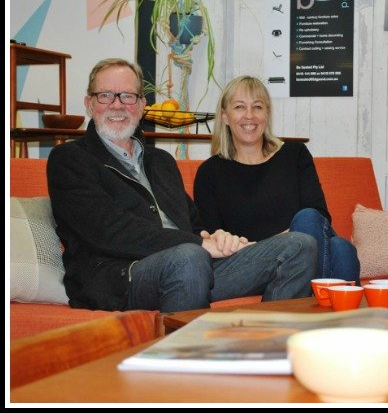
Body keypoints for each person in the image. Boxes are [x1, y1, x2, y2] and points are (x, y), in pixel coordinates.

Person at [46, 59, 317, 313]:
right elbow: (109, 231)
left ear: (141, 106)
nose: (117, 105)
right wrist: (199, 243)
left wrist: (216, 238)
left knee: (299, 245)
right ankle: (184, 359)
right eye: (106, 95)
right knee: (188, 257)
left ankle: (267, 345)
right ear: (89, 104)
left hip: (192, 267)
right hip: (123, 277)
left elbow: (192, 222)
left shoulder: (160, 161)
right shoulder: (70, 159)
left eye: (128, 96)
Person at [194, 75, 360, 284]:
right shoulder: (209, 172)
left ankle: (306, 301)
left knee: (329, 237)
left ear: (267, 114)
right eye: (239, 107)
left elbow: (320, 215)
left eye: (257, 107)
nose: (249, 116)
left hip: (304, 250)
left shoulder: (294, 154)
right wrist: (277, 246)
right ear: (225, 116)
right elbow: (214, 238)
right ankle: (317, 304)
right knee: (341, 250)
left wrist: (290, 243)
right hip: (253, 263)